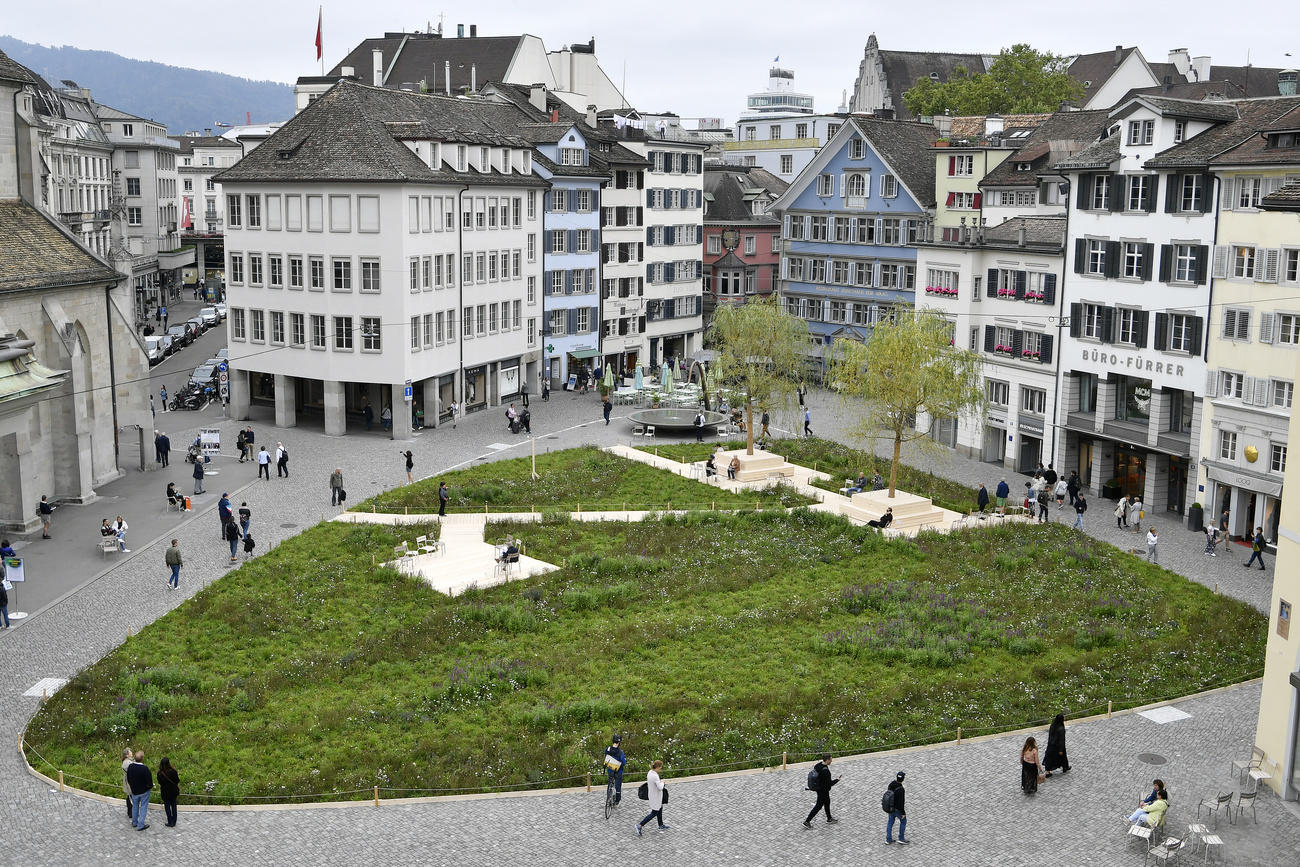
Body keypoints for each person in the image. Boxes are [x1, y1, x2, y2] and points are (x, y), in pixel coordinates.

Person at [802, 754, 840, 829]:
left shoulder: (818, 765)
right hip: (823, 790)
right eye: (831, 760)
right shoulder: (825, 771)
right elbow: (829, 783)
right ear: (827, 760)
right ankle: (807, 821)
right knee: (818, 806)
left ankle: (829, 818)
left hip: (819, 788)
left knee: (827, 802)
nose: (831, 761)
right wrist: (837, 780)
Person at [635, 759, 668, 836]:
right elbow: (660, 787)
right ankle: (640, 825)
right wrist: (662, 782)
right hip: (656, 797)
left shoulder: (650, 772)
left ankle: (661, 825)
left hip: (653, 795)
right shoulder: (655, 776)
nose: (661, 769)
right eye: (660, 768)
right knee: (654, 813)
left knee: (660, 808)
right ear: (658, 767)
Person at [126, 750, 153, 830]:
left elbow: (128, 778)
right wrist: (148, 788)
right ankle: (141, 825)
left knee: (135, 806)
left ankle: (134, 822)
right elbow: (150, 782)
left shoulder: (130, 767)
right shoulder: (145, 769)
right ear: (142, 758)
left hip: (134, 791)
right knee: (143, 807)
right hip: (144, 791)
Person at [885, 771, 908, 845]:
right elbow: (901, 803)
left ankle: (888, 839)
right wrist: (903, 813)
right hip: (897, 809)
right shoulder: (901, 789)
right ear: (903, 779)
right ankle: (901, 838)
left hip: (890, 808)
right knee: (903, 821)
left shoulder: (891, 784)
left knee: (890, 822)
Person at [603, 734, 626, 805]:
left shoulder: (608, 749)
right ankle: (617, 801)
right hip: (618, 772)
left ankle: (608, 799)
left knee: (610, 784)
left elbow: (605, 757)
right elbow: (623, 762)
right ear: (619, 743)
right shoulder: (620, 752)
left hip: (610, 770)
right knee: (617, 786)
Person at [158, 757, 180, 827]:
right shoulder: (173, 771)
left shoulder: (159, 773)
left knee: (167, 807)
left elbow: (160, 782)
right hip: (173, 791)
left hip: (165, 792)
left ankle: (170, 821)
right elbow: (177, 780)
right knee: (174, 805)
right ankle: (174, 821)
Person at [121, 748, 135, 820]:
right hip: (129, 781)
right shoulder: (127, 763)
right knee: (130, 796)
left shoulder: (128, 761)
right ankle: (131, 812)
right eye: (130, 752)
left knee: (129, 796)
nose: (132, 752)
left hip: (128, 780)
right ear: (127, 755)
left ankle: (130, 812)